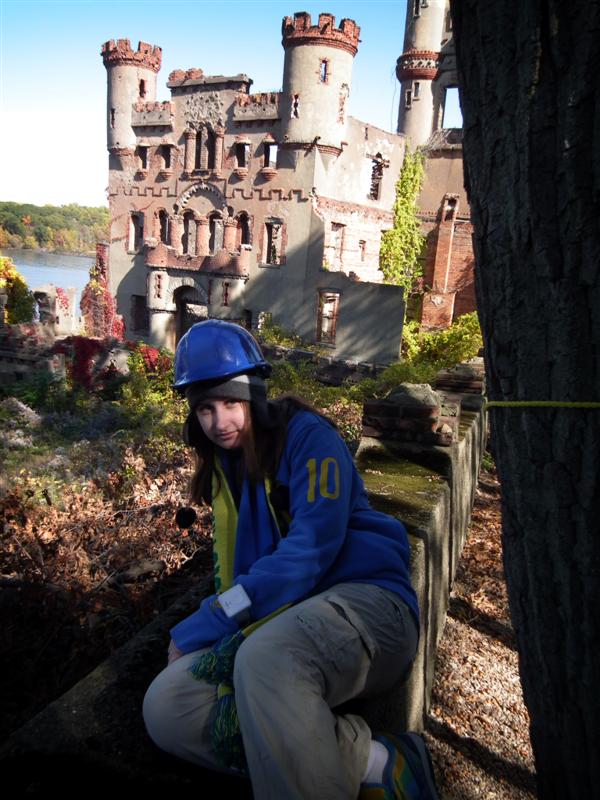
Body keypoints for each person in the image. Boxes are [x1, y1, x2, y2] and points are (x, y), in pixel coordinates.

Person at [142, 319, 439, 800]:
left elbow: (307, 554)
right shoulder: (225, 473)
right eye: (205, 409)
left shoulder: (308, 439)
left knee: (265, 660)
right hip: (283, 622)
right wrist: (220, 622)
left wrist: (207, 622)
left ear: (254, 396)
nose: (219, 422)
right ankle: (376, 762)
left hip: (368, 607)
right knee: (167, 706)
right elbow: (238, 579)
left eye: (231, 403)